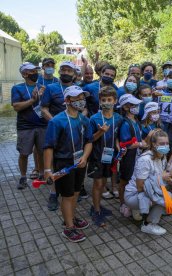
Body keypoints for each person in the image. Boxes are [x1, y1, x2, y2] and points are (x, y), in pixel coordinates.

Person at [43, 86, 92, 242]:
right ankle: (68, 228)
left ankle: (71, 217)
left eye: (82, 97)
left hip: (79, 162)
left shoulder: (84, 119)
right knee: (67, 195)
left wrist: (85, 157)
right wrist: (47, 170)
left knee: (76, 193)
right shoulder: (56, 121)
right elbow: (48, 147)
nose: (80, 101)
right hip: (64, 163)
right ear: (67, 100)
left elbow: (89, 142)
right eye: (76, 98)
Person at [41, 61, 78, 210]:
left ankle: (73, 188)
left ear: (74, 74)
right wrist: (57, 123)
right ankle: (53, 192)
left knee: (71, 158)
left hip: (74, 130)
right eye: (63, 70)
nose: (66, 73)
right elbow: (44, 109)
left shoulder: (77, 89)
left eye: (69, 71)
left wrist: (79, 123)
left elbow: (84, 109)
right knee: (54, 161)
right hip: (56, 130)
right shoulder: (51, 88)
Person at [124, 129, 172, 235]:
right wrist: (161, 178)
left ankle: (141, 210)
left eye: (167, 143)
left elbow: (157, 178)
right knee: (167, 197)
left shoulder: (162, 157)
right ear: (153, 144)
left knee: (166, 193)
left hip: (144, 193)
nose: (165, 146)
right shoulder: (145, 160)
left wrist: (170, 180)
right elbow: (140, 187)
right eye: (162, 143)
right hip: (133, 195)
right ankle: (148, 225)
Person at [87, 87, 123, 226]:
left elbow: (118, 137)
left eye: (109, 100)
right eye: (103, 100)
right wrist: (100, 132)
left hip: (111, 156)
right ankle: (96, 211)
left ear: (115, 101)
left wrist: (119, 149)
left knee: (104, 183)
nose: (107, 102)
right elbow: (90, 139)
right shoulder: (94, 119)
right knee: (98, 183)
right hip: (97, 156)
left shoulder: (118, 118)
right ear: (100, 102)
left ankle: (98, 206)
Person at [12, 63, 47, 190]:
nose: (35, 73)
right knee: (24, 153)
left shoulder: (42, 87)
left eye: (35, 71)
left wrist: (43, 97)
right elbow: (16, 107)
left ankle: (42, 174)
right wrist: (32, 100)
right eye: (31, 71)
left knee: (42, 152)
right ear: (24, 74)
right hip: (25, 127)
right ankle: (22, 177)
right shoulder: (17, 88)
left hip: (42, 125)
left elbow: (46, 106)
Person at [118, 94, 147, 218]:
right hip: (128, 157)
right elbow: (126, 144)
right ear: (125, 107)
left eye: (136, 105)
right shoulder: (125, 123)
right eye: (133, 105)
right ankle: (123, 203)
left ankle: (131, 203)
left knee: (133, 179)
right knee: (125, 179)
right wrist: (141, 144)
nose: (136, 107)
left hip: (137, 156)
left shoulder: (136, 121)